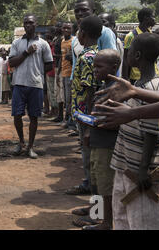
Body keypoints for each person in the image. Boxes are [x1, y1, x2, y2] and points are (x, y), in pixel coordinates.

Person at [93, 67, 159, 230]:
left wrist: (132, 113)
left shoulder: (152, 84)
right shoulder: (141, 84)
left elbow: (151, 129)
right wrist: (135, 91)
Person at [82, 49, 122, 230]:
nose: (95, 70)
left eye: (99, 66)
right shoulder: (103, 86)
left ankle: (106, 223)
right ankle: (96, 215)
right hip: (97, 142)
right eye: (94, 66)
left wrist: (96, 123)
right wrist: (90, 129)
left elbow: (119, 120)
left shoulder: (117, 91)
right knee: (96, 180)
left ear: (114, 67)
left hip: (107, 146)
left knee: (106, 186)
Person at [9, 14, 53, 159]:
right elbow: (12, 63)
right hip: (19, 83)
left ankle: (30, 146)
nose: (28, 25)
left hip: (35, 85)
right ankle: (21, 142)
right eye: (25, 23)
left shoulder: (43, 44)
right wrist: (27, 53)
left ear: (36, 24)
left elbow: (49, 64)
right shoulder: (16, 43)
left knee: (34, 116)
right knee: (17, 115)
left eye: (31, 23)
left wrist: (37, 73)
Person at [68, 15, 103, 197]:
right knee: (88, 155)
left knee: (89, 156)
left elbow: (90, 92)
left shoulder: (87, 57)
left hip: (86, 115)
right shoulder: (94, 54)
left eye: (79, 31)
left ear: (84, 33)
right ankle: (90, 189)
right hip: (84, 114)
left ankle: (94, 202)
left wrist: (89, 123)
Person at [122, 8, 156, 83]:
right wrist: (125, 78)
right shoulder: (131, 36)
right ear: (146, 18)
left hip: (153, 75)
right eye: (153, 16)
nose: (154, 19)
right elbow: (125, 58)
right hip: (137, 77)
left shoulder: (151, 34)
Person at [60, 22, 75, 128]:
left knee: (70, 98)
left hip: (71, 73)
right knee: (66, 98)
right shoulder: (62, 41)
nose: (66, 30)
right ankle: (68, 119)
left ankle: (69, 120)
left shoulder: (74, 41)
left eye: (68, 28)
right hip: (64, 72)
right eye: (64, 28)